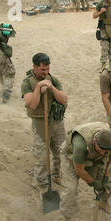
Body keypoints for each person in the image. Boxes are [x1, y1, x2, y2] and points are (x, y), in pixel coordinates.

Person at [59, 122, 111, 221]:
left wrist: (105, 179)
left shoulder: (110, 140)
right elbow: (80, 170)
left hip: (93, 156)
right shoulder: (80, 145)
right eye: (101, 150)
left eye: (105, 151)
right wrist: (94, 183)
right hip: (71, 156)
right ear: (95, 141)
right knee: (70, 189)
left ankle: (104, 202)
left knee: (107, 183)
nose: (103, 153)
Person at [21, 53, 68, 193]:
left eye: (47, 69)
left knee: (62, 152)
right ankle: (42, 184)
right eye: (43, 70)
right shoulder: (27, 83)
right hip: (40, 123)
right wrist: (38, 88)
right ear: (34, 67)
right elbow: (32, 104)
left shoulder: (53, 79)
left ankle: (57, 176)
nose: (46, 72)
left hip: (56, 122)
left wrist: (51, 88)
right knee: (41, 157)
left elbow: (63, 99)